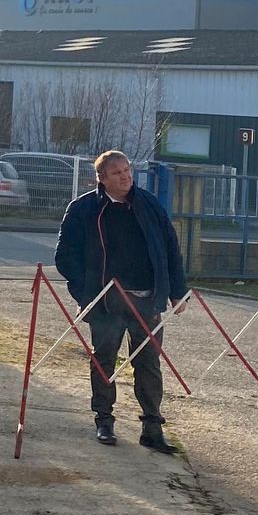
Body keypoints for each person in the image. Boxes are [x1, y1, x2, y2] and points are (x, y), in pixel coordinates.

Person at [55, 150, 187, 454]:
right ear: (101, 178)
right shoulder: (84, 209)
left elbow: (170, 248)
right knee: (104, 362)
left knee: (149, 364)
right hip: (105, 303)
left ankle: (152, 428)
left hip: (147, 300)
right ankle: (104, 421)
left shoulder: (149, 204)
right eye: (117, 173)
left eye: (127, 170)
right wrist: (86, 294)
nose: (126, 176)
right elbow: (65, 256)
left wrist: (177, 291)